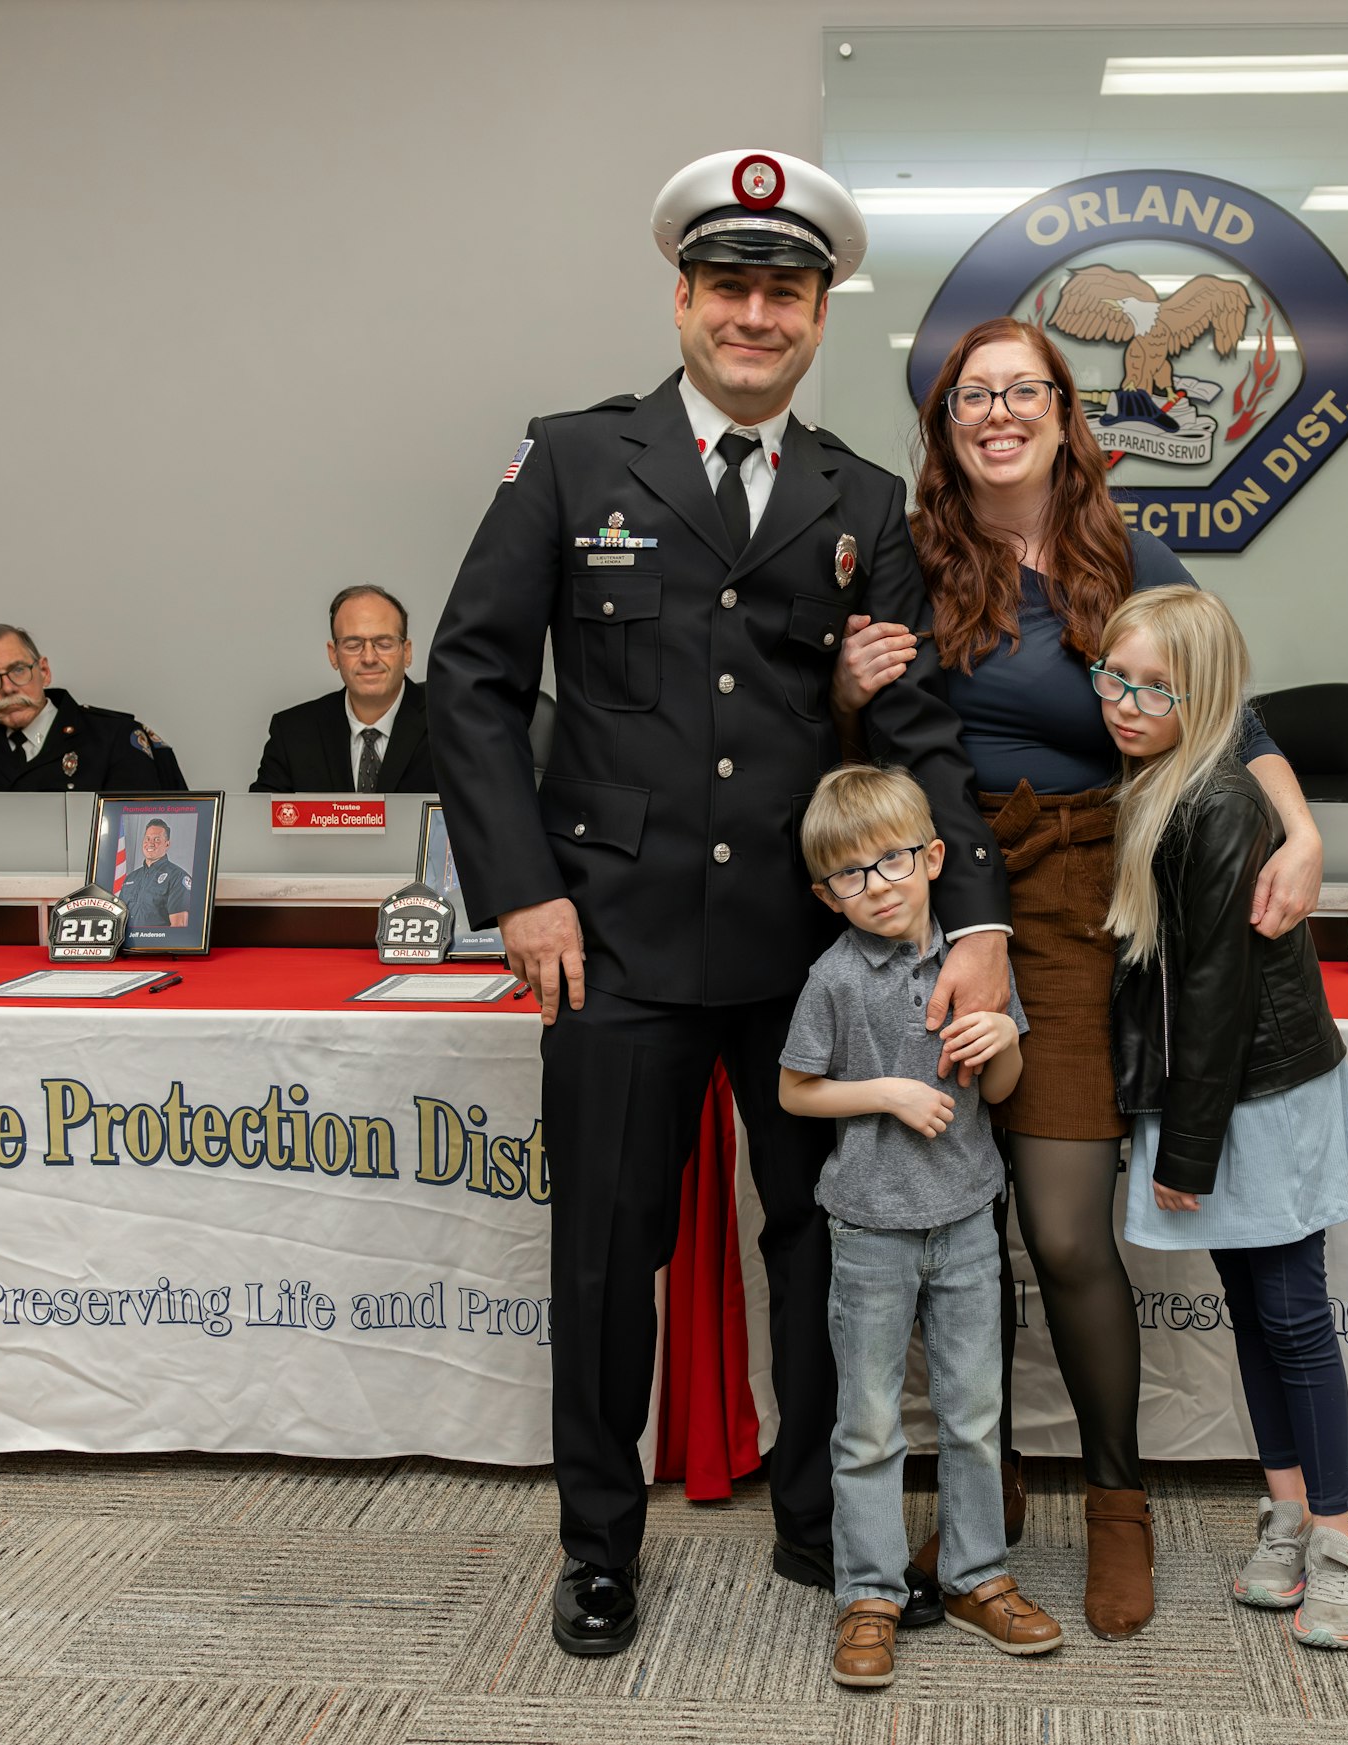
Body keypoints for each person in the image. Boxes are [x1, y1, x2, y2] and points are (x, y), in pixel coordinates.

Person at [426, 149, 1011, 1658]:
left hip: (816, 954)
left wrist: (977, 923)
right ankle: (599, 1547)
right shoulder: (570, 459)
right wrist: (522, 896)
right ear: (683, 296)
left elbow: (917, 724)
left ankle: (830, 1523)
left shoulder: (858, 495)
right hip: (608, 939)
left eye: (787, 292)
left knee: (833, 1244)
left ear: (819, 316)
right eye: (732, 286)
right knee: (611, 1254)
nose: (757, 314)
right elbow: (475, 684)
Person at [833, 316, 1324, 1639]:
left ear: (1064, 411)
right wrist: (842, 682)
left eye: (1022, 391)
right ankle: (983, 1510)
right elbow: (870, 733)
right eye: (970, 395)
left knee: (1058, 1231)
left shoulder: (1124, 553)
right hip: (933, 899)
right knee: (948, 1228)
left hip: (1082, 903)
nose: (997, 412)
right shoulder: (910, 550)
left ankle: (1121, 1500)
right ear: (944, 423)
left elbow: (1228, 703)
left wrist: (1306, 825)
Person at [1099, 585, 1348, 1651]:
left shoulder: (1218, 799)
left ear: (1204, 694)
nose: (1124, 703)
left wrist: (1185, 1146)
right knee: (1249, 1310)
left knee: (1292, 1312)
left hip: (1254, 1093)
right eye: (1112, 679)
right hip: (1213, 1090)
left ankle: (1339, 1538)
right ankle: (1285, 1508)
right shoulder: (1154, 775)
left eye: (1153, 688)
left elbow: (1211, 989)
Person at [779, 765, 1061, 1687]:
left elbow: (1007, 1091)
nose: (879, 886)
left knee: (974, 1414)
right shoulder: (832, 978)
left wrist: (1006, 1041)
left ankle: (979, 1573)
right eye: (850, 875)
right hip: (867, 1230)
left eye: (894, 861)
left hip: (968, 1221)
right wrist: (890, 1093)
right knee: (865, 1423)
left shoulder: (975, 964)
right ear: (826, 893)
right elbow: (793, 1089)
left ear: (935, 858)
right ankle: (870, 1590)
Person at [0, 624, 185, 793]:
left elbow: (137, 833)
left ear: (44, 671)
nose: (8, 687)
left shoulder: (113, 736)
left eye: (18, 670)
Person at [252, 586, 436, 792]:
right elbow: (259, 820)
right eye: (353, 645)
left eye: (384, 644)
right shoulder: (292, 733)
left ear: (407, 652)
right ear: (333, 655)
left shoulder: (448, 724)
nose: (369, 658)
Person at [120, 816, 193, 931]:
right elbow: (120, 919)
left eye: (157, 839)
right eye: (147, 839)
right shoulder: (131, 878)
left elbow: (179, 927)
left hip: (157, 946)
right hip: (129, 945)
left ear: (167, 844)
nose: (150, 843)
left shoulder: (178, 877)